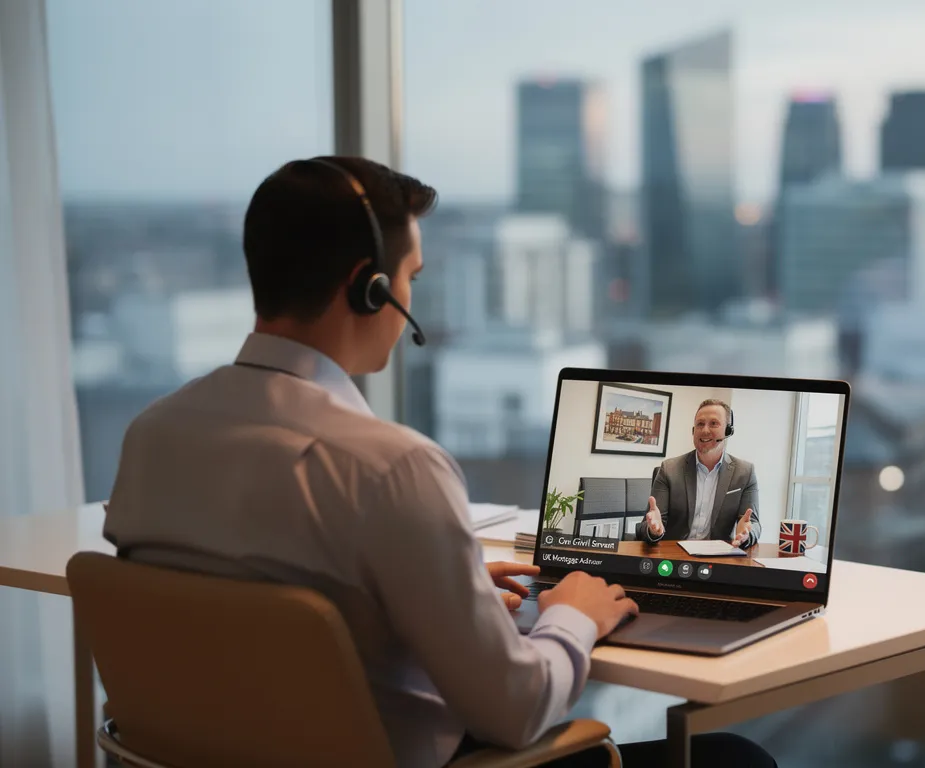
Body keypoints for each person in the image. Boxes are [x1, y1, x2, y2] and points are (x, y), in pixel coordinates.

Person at [102, 156, 775, 768]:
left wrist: (431, 577)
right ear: (368, 291)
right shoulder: (391, 469)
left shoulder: (151, 436)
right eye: (411, 279)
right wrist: (574, 612)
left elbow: (261, 588)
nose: (411, 299)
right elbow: (513, 710)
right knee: (738, 760)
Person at [635, 399, 762, 549]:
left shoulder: (745, 473)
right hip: (673, 554)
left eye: (713, 423)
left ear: (728, 430)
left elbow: (752, 523)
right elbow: (646, 525)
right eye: (700, 424)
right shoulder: (669, 469)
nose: (705, 430)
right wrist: (653, 530)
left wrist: (747, 533)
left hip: (718, 557)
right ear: (693, 430)